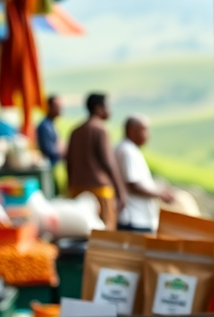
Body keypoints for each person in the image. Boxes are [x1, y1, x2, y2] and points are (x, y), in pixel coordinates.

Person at [65, 93, 126, 230]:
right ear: (99, 108)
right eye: (107, 106)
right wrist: (121, 191)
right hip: (99, 191)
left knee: (82, 233)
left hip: (77, 190)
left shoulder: (75, 131)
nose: (110, 110)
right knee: (104, 235)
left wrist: (69, 187)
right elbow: (108, 162)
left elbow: (68, 162)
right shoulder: (101, 130)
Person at [114, 115, 174, 232]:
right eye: (144, 129)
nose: (148, 134)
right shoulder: (127, 151)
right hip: (134, 217)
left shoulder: (129, 149)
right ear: (131, 130)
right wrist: (160, 193)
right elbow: (133, 185)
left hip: (138, 217)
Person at [36, 95, 63, 192]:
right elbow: (48, 149)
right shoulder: (45, 126)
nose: (60, 109)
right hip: (49, 169)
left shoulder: (51, 125)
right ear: (49, 107)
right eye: (57, 106)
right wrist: (62, 152)